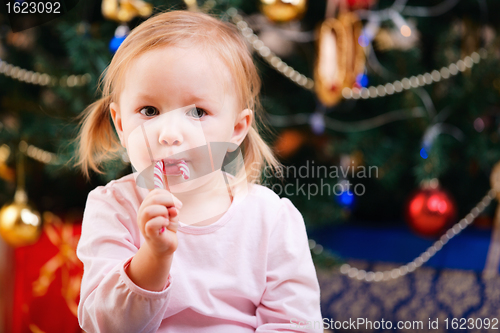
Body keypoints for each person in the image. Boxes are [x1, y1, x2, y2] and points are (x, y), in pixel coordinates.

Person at [72, 9, 322, 333]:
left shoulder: (271, 218)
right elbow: (103, 325)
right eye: (149, 110)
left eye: (198, 112)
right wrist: (153, 258)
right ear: (121, 125)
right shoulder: (113, 208)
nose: (169, 134)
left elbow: (296, 324)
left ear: (236, 128)